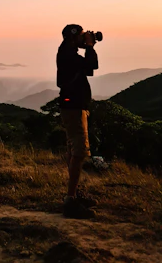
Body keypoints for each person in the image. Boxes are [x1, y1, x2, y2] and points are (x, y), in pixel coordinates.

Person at [57, 24, 99, 219]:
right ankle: (70, 199)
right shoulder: (68, 54)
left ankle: (73, 194)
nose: (85, 38)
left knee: (73, 149)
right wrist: (90, 46)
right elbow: (92, 66)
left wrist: (86, 44)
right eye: (82, 36)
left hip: (73, 106)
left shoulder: (67, 51)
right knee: (79, 150)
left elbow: (87, 71)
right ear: (73, 38)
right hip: (73, 107)